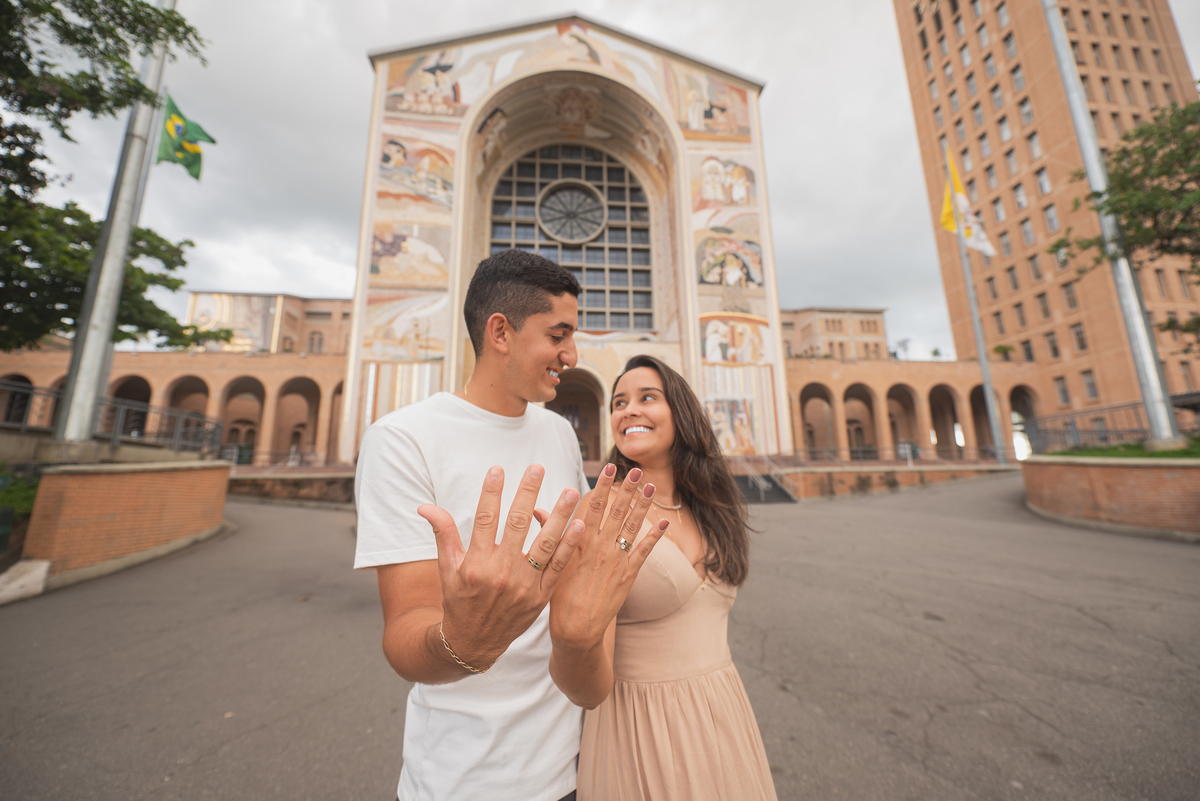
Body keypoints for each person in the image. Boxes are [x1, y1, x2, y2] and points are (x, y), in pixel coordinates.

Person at [354, 249, 666, 801]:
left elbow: (575, 597)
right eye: (558, 334)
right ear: (500, 331)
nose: (571, 354)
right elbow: (404, 634)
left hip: (572, 766)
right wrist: (466, 642)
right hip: (464, 778)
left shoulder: (558, 434)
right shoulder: (402, 440)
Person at [561, 354, 778, 801]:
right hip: (639, 727)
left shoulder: (713, 506)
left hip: (724, 712)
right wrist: (573, 639)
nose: (628, 410)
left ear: (681, 414)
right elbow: (585, 682)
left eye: (647, 397)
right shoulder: (602, 510)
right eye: (619, 402)